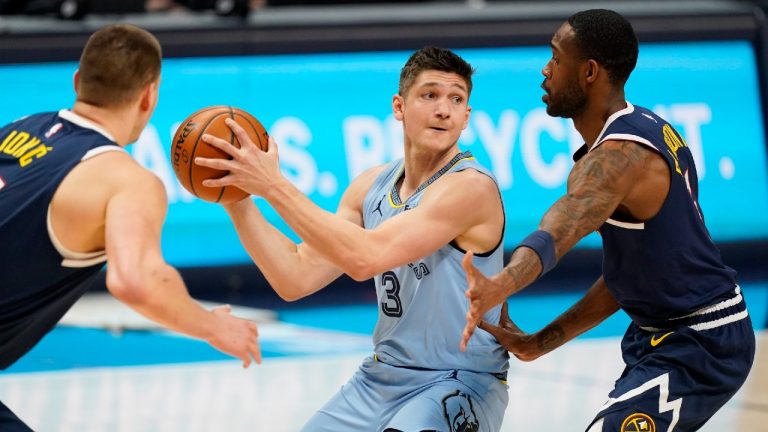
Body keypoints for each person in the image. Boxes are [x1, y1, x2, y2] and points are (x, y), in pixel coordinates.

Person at [460, 8, 755, 432]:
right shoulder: (645, 130)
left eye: (556, 58)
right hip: (657, 335)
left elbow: (561, 228)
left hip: (702, 339)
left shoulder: (620, 160)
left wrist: (500, 284)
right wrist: (542, 341)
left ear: (590, 72)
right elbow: (630, 275)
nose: (545, 70)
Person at [196, 46, 510, 431]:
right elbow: (295, 276)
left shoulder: (470, 188)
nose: (443, 109)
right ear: (399, 107)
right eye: (429, 95)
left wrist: (272, 184)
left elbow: (365, 259)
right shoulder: (369, 187)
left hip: (458, 380)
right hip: (382, 377)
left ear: (466, 117)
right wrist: (237, 196)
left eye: (456, 99)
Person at [0, 24, 261, 431]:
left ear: (77, 80)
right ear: (149, 95)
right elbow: (136, 281)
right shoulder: (126, 180)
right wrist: (214, 326)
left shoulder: (18, 128)